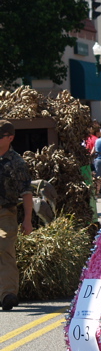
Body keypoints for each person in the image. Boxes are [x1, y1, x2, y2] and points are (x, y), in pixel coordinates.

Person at [0, 121, 32, 311]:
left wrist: (27, 219)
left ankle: (8, 294)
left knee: (4, 248)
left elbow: (26, 192)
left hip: (6, 213)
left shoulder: (17, 162)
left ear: (10, 138)